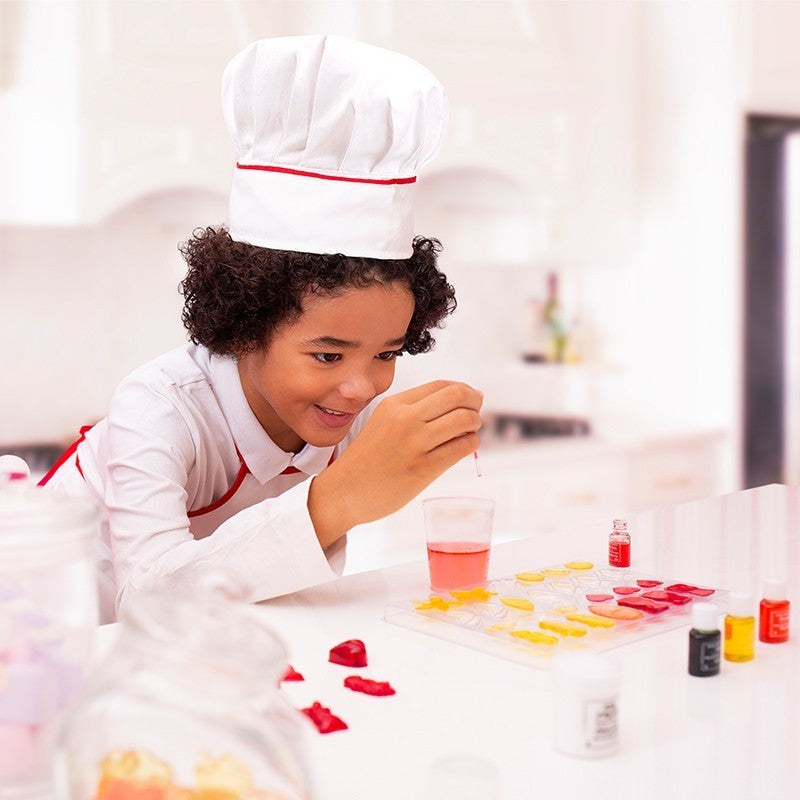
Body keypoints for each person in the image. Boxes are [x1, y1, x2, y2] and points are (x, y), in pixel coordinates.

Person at [40, 34, 483, 622]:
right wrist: (338, 498)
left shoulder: (344, 414)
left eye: (387, 353)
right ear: (244, 327)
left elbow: (277, 587)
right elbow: (146, 601)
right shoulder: (160, 407)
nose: (362, 387)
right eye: (328, 355)